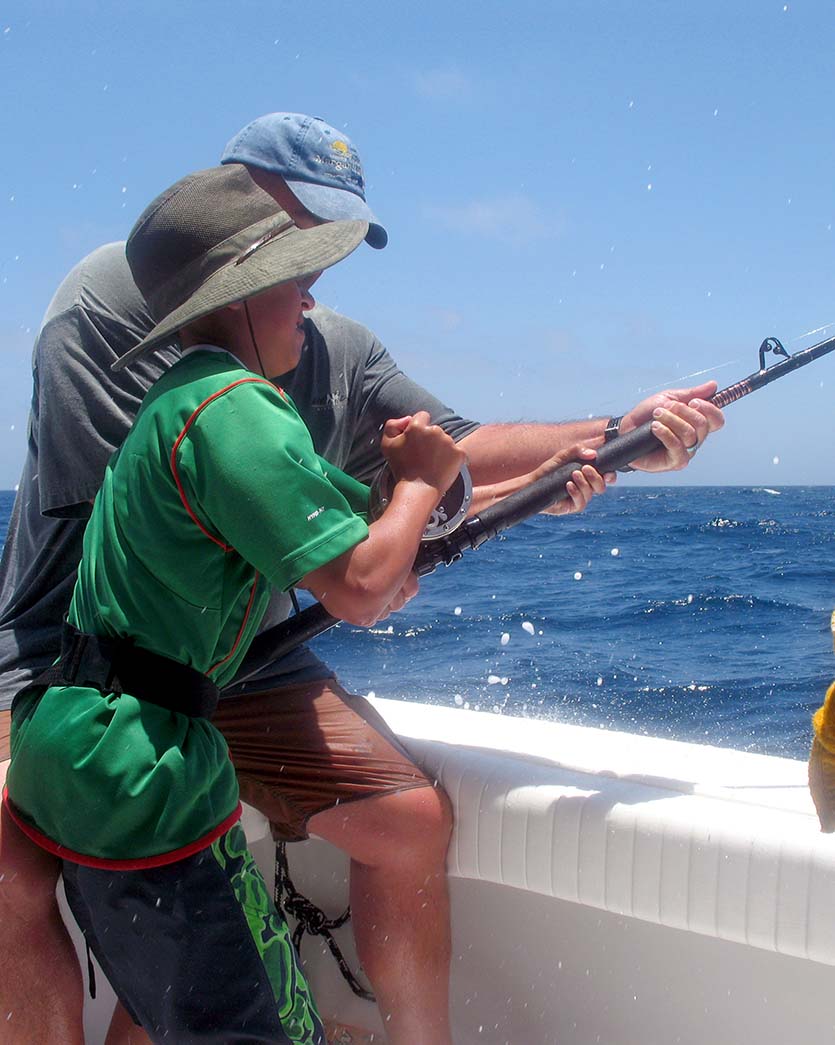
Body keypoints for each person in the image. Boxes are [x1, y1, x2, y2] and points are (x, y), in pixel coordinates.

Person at [0, 112, 723, 1045]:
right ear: (238, 204)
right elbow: (198, 532)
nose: (316, 275)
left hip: (242, 657)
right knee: (18, 872)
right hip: (84, 661)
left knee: (406, 819)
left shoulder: (321, 340)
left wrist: (609, 443)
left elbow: (441, 457)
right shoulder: (118, 304)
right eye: (300, 234)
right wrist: (399, 526)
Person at [4, 161, 468, 1042]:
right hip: (144, 766)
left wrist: (406, 516)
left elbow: (356, 544)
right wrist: (419, 485)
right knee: (268, 1026)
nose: (309, 301)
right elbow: (363, 588)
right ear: (245, 292)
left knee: (171, 1006)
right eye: (295, 281)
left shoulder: (187, 397)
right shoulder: (239, 407)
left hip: (78, 746)